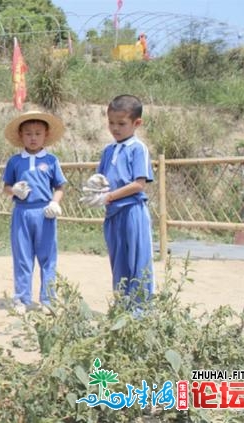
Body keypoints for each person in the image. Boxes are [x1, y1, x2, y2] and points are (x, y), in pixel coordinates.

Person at [80, 94, 154, 311]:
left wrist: (108, 196)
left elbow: (139, 184)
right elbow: (102, 180)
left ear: (136, 123)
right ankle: (122, 307)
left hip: (132, 212)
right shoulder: (108, 150)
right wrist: (96, 187)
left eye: (121, 123)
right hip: (113, 214)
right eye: (111, 123)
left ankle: (142, 312)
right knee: (118, 261)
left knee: (138, 262)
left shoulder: (137, 148)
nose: (115, 128)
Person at [2, 110, 67, 315]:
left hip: (44, 213)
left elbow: (60, 186)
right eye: (28, 133)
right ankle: (22, 298)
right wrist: (14, 191)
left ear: (46, 135)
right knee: (22, 257)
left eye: (38, 133)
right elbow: (6, 187)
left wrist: (55, 203)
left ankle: (48, 298)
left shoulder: (51, 161)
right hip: (21, 212)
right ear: (21, 136)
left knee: (47, 257)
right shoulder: (14, 161)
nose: (33, 138)